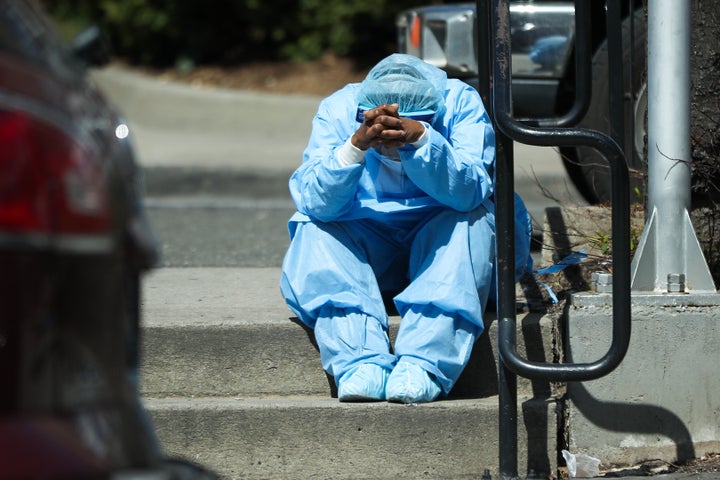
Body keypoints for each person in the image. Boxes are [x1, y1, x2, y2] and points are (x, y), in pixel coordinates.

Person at [280, 53, 499, 404]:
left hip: (443, 247)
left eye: (403, 122)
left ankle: (424, 361)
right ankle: (358, 360)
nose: (390, 134)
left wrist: (423, 138)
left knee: (469, 219)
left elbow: (470, 190)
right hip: (370, 249)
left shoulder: (459, 101)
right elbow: (315, 200)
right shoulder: (338, 108)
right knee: (313, 227)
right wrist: (354, 147)